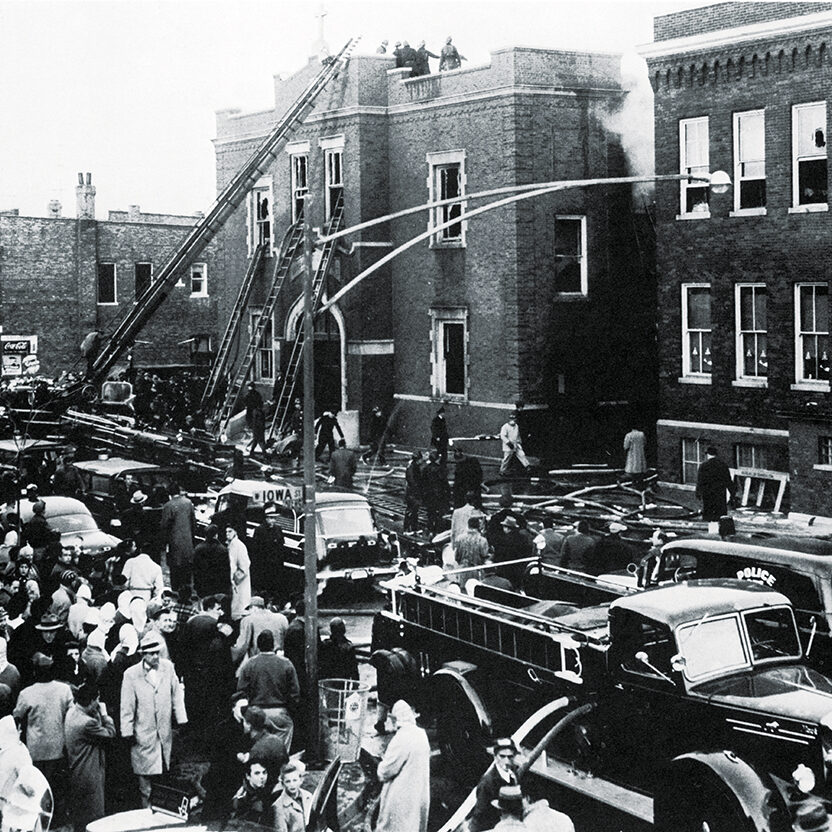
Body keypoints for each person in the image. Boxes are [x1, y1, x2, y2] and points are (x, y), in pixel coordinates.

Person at [120, 631, 187, 808]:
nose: (156, 656)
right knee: (145, 785)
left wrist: (181, 719)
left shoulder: (168, 667)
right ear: (143, 654)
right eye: (151, 653)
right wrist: (127, 732)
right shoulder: (131, 674)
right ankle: (146, 815)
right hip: (143, 734)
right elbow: (127, 706)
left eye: (158, 652)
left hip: (164, 735)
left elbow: (176, 695)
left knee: (165, 779)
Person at [63, 683, 116, 832]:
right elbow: (110, 734)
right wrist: (105, 715)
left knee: (80, 817)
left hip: (77, 771)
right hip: (90, 775)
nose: (99, 703)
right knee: (94, 817)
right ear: (92, 701)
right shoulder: (87, 723)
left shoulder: (72, 713)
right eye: (97, 699)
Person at [234, 630, 299, 751]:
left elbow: (241, 691)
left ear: (258, 646)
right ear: (273, 645)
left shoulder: (249, 664)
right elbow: (294, 692)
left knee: (259, 749)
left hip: (256, 711)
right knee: (281, 748)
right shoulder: (286, 663)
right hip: (279, 711)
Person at [376, 700, 430, 832]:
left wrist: (381, 766)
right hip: (418, 794)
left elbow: (385, 771)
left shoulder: (401, 739)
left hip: (400, 797)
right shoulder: (421, 735)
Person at [469, 738, 519, 832]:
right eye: (502, 756)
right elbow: (479, 816)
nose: (507, 761)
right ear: (495, 757)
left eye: (510, 757)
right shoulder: (487, 783)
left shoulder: (513, 774)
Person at [159, 483, 196, 592]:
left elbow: (164, 526)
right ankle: (187, 590)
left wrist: (163, 543)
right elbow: (193, 522)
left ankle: (176, 591)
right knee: (187, 569)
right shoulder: (188, 503)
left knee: (175, 570)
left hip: (174, 543)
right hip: (188, 542)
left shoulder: (168, 506)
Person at [232, 596, 289, 663]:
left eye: (249, 609)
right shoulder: (282, 618)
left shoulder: (248, 620)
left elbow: (242, 646)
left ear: (254, 608)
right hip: (279, 662)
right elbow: (288, 641)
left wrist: (231, 656)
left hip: (258, 662)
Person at [250, 506, 284, 599]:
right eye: (271, 518)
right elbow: (256, 550)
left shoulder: (278, 529)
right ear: (266, 518)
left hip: (275, 564)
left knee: (274, 587)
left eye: (274, 518)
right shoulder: (259, 530)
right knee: (264, 589)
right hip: (264, 565)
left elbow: (281, 546)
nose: (273, 521)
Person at [696, 446, 734, 525]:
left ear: (708, 455)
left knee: (709, 514)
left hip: (708, 493)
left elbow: (700, 481)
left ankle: (710, 529)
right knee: (720, 515)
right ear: (716, 455)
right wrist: (732, 493)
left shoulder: (704, 466)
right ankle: (720, 529)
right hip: (719, 493)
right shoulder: (723, 465)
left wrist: (698, 492)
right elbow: (728, 481)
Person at [230, 758, 273, 825]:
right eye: (257, 773)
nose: (262, 777)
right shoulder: (242, 797)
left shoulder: (265, 788)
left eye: (264, 772)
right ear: (248, 776)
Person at [272, 760, 312, 832]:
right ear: (283, 784)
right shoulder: (278, 807)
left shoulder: (308, 796)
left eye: (295, 780)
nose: (292, 784)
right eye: (288, 781)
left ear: (301, 780)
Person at [193, 525, 231, 599]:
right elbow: (226, 570)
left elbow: (195, 568)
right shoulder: (223, 550)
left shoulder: (198, 548)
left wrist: (196, 584)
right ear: (216, 535)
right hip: (218, 585)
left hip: (203, 584)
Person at [421, 450, 449, 537]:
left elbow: (423, 482)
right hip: (439, 494)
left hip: (429, 494)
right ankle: (437, 531)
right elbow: (444, 482)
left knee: (430, 513)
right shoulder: (441, 469)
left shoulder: (425, 468)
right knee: (439, 514)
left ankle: (430, 530)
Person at [227, 526, 252, 621]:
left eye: (230, 531)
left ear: (235, 532)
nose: (227, 534)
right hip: (233, 582)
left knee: (240, 605)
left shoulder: (240, 546)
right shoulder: (230, 545)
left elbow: (245, 566)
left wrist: (234, 580)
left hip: (240, 582)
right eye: (226, 532)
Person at [500, 412, 529, 477]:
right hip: (508, 446)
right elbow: (503, 436)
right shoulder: (505, 427)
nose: (513, 420)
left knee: (522, 455)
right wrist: (508, 442)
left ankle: (527, 466)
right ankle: (502, 470)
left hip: (516, 444)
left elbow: (517, 435)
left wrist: (519, 442)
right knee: (507, 459)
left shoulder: (516, 426)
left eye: (514, 418)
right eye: (511, 418)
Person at [403, 451, 423, 533]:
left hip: (412, 492)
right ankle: (407, 528)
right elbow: (412, 480)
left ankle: (414, 527)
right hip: (412, 493)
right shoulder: (412, 467)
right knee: (411, 510)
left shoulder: (413, 466)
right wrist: (418, 489)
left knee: (414, 510)